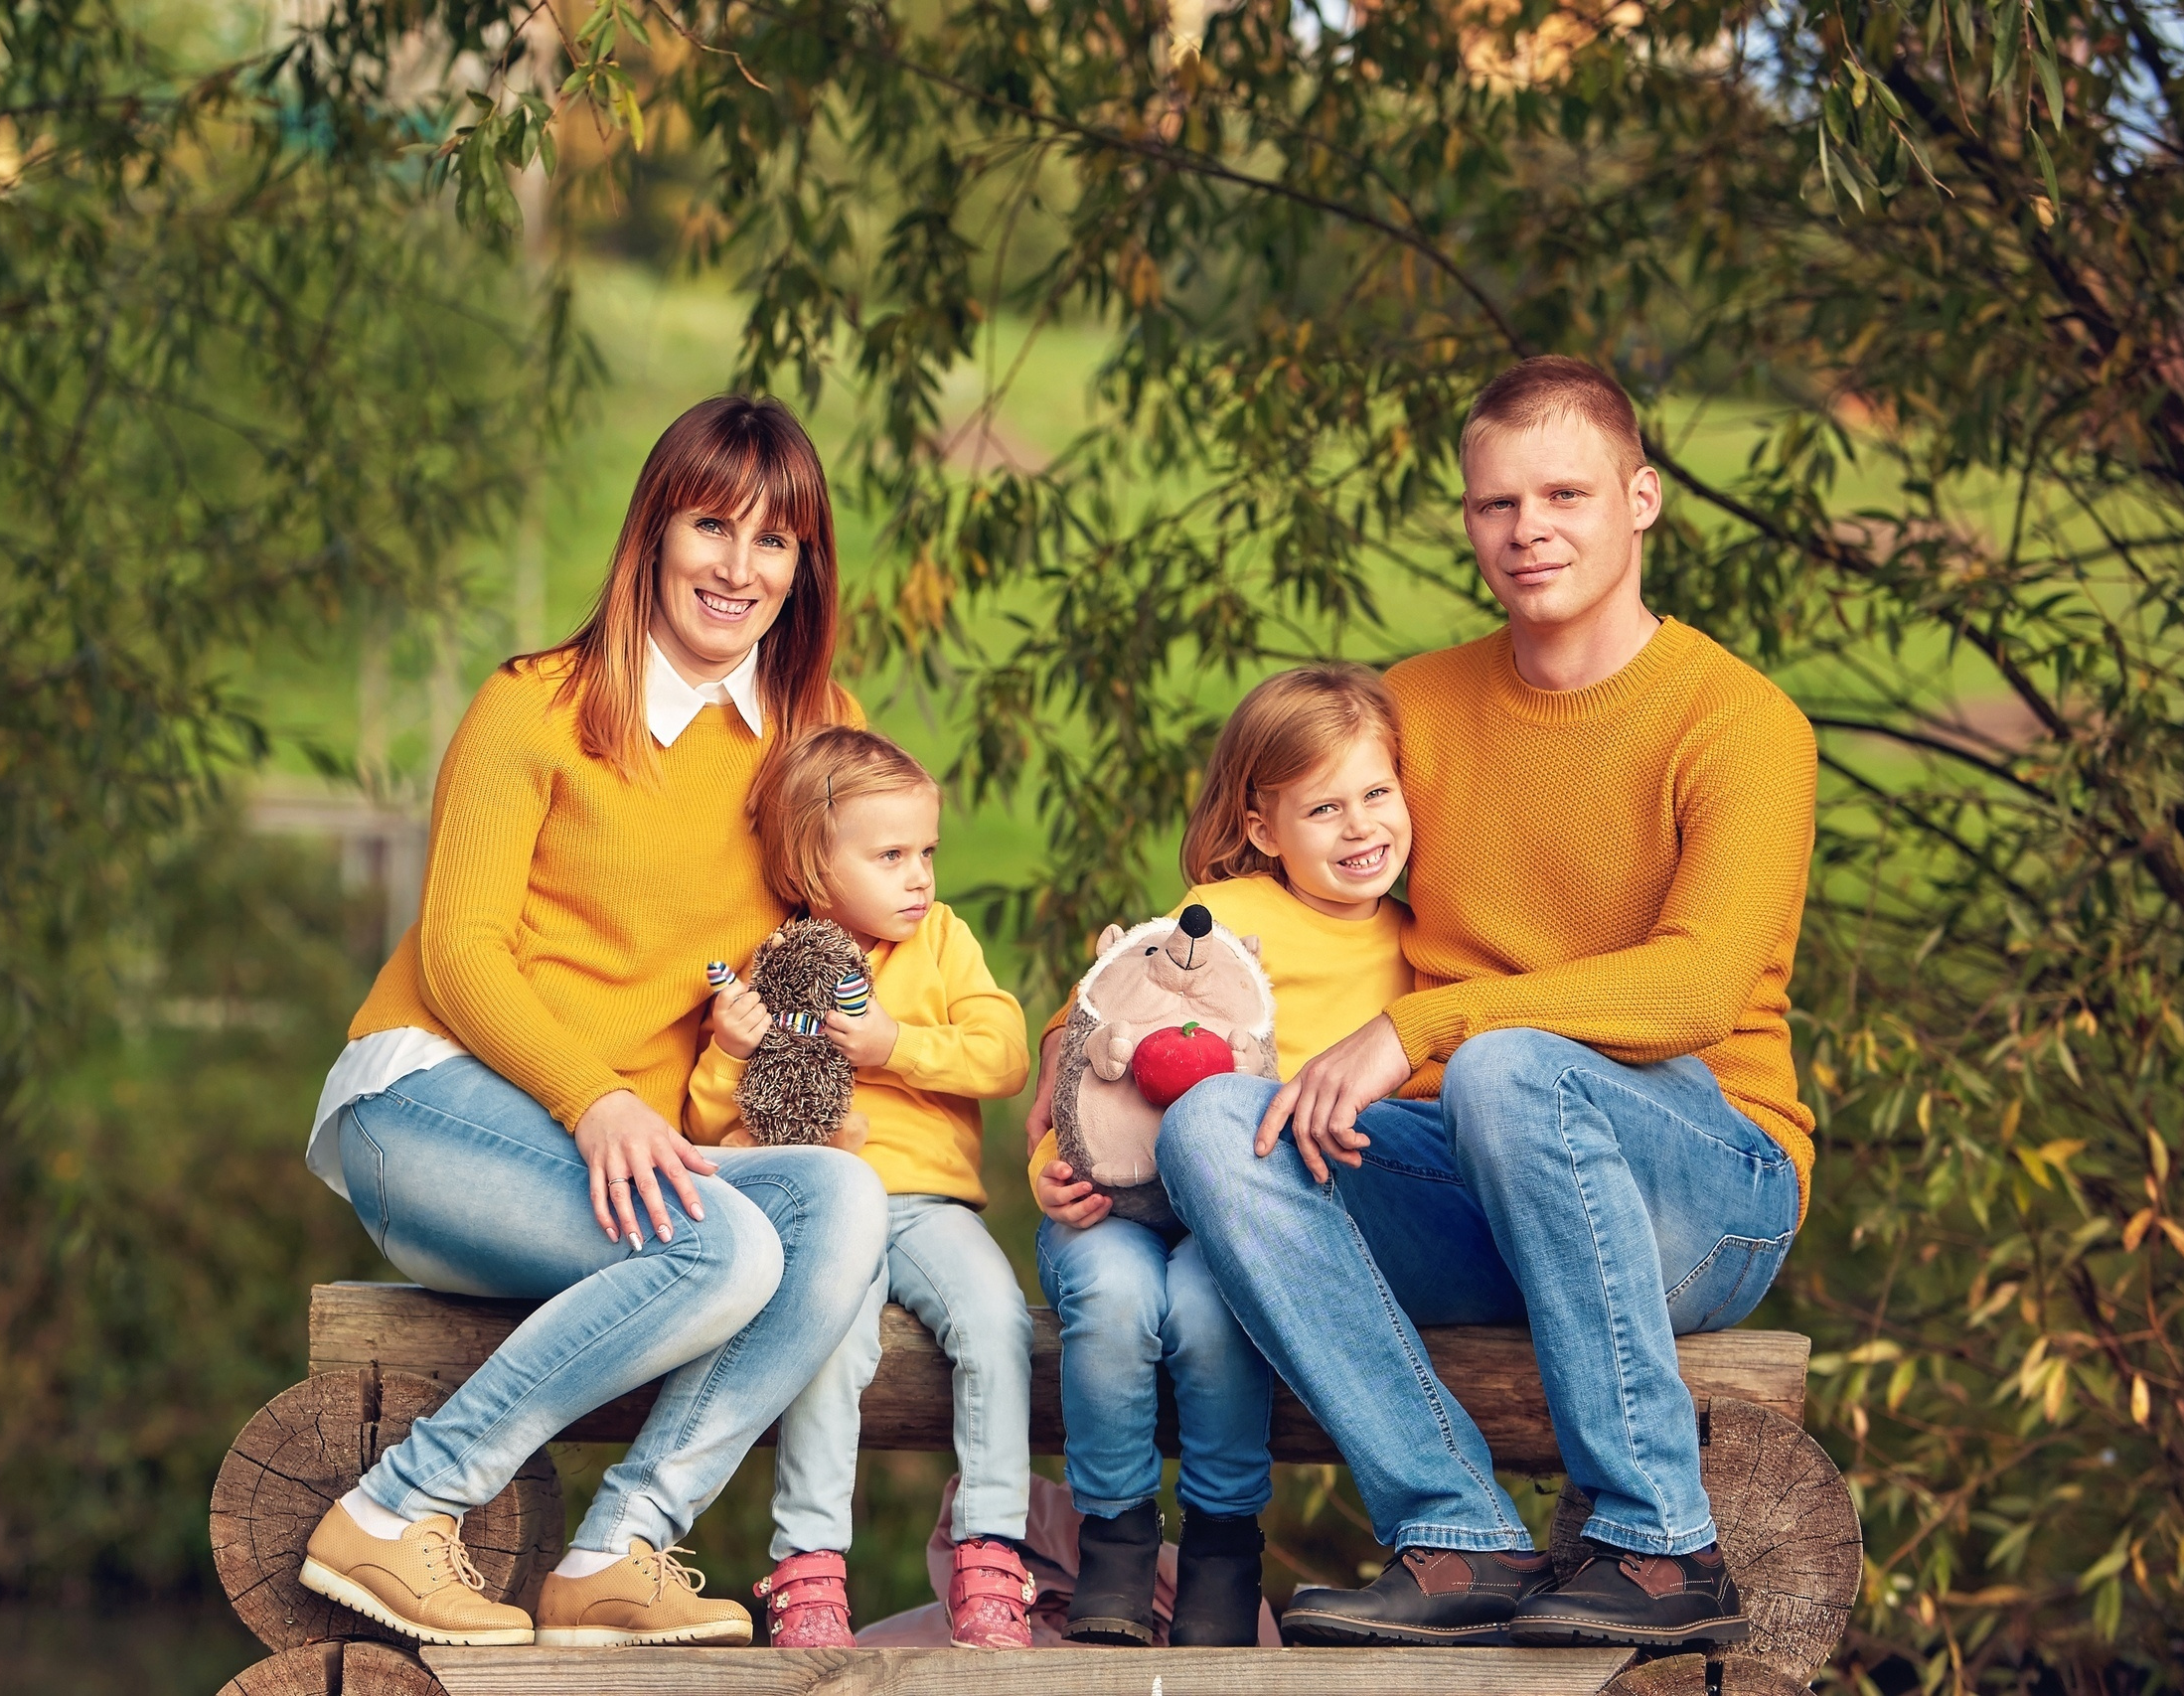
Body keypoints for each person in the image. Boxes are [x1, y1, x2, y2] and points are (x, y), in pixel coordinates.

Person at [1157, 357, 1816, 1651]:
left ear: (1642, 498)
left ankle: (1657, 1540)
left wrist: (1420, 1027)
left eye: (1564, 492)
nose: (1529, 530)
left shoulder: (1737, 722)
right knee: (1214, 1127)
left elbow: (1693, 986)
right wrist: (1084, 1090)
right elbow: (1255, 887)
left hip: (1713, 1183)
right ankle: (1459, 1532)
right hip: (1478, 1167)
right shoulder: (1420, 704)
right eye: (1495, 503)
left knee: (1509, 1062)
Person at [293, 396, 890, 1649]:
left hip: (617, 1145)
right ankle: (399, 1509)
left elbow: (877, 937)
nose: (738, 568)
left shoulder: (805, 748)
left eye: (773, 541)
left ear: (806, 566)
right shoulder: (537, 705)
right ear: (652, 536)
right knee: (720, 1248)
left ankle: (617, 1552)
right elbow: (459, 952)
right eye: (711, 527)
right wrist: (595, 1096)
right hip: (430, 1102)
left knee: (838, 1206)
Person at [1022, 664, 1414, 1647]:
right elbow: (1088, 1044)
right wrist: (1052, 1169)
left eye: (1378, 794)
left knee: (1209, 1304)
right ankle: (1111, 1538)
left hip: (1248, 1218)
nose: (1361, 827)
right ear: (1259, 826)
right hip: (1119, 1201)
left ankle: (1221, 1551)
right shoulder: (1215, 919)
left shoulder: (1418, 949)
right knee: (1112, 1300)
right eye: (1324, 807)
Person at [687, 726, 1037, 1650]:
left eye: (926, 851)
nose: (918, 876)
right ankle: (809, 1567)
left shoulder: (946, 941)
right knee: (830, 1344)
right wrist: (728, 1051)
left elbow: (1005, 1055)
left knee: (996, 1320)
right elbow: (714, 1130)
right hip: (820, 1214)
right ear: (813, 865)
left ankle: (993, 1552)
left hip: (927, 1206)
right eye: (890, 856)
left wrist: (899, 1048)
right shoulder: (772, 967)